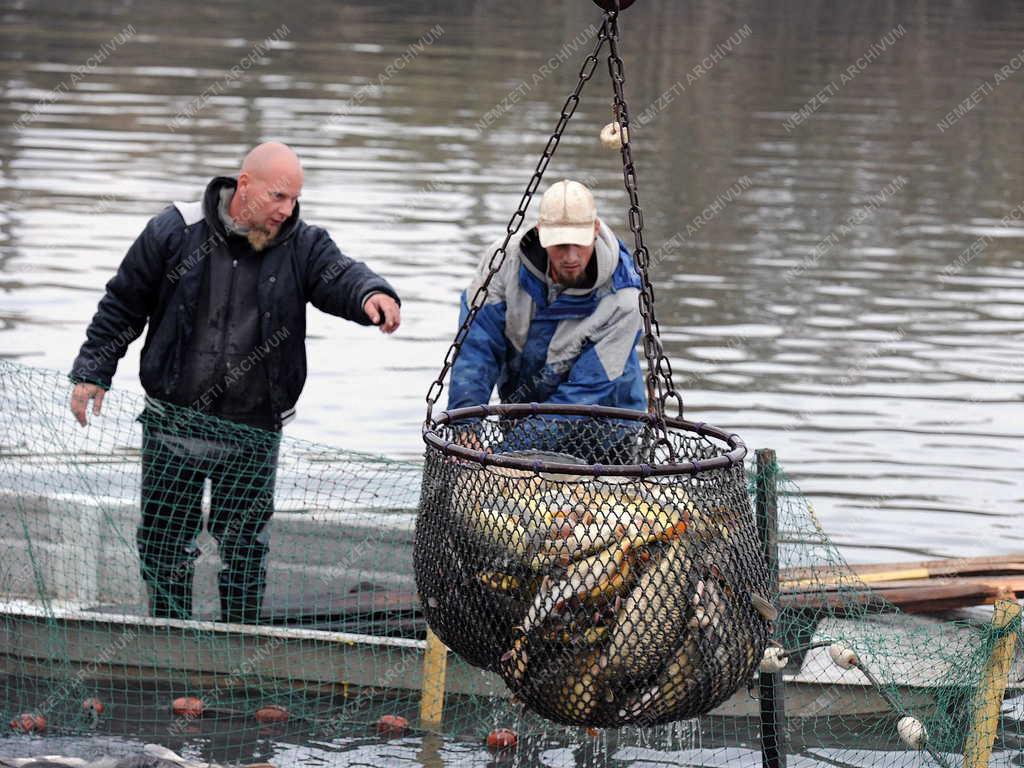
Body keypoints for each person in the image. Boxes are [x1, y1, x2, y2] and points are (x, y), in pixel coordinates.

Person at [68, 141, 401, 623]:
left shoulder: (301, 244)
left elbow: (341, 275)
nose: (288, 211)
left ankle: (238, 647)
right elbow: (123, 304)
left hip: (253, 429)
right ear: (244, 186)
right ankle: (169, 640)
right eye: (278, 198)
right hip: (173, 421)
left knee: (245, 549)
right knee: (164, 542)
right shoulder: (175, 230)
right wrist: (92, 372)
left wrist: (372, 293)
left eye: (294, 200)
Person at [447, 179, 646, 462]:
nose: (571, 257)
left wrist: (506, 457)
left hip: (606, 434)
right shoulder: (502, 262)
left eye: (580, 243)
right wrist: (466, 427)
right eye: (560, 245)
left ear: (596, 231)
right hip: (523, 415)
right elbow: (476, 348)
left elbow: (581, 396)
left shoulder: (624, 298)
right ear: (541, 234)